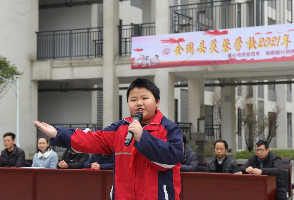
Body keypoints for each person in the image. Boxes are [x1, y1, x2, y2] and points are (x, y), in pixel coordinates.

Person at [34, 78, 183, 200]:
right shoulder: (120, 128)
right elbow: (93, 139)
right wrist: (58, 134)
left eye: (145, 98)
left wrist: (142, 137)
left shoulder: (169, 129)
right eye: (133, 99)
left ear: (157, 102)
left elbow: (170, 160)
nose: (139, 103)